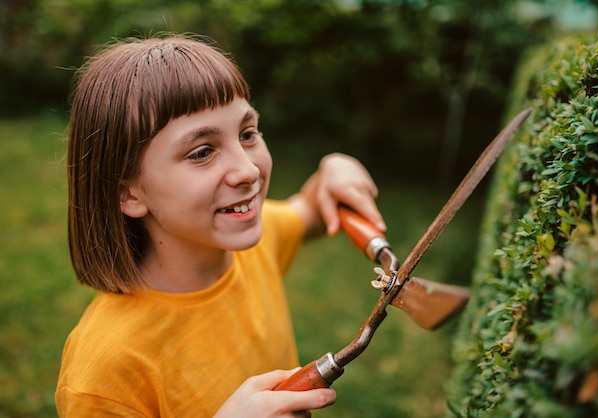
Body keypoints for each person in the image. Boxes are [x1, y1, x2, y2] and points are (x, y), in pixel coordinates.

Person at [56, 33, 386, 417]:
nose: (247, 170)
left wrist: (333, 168)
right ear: (129, 194)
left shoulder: (256, 244)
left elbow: (311, 209)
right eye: (202, 152)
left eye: (247, 134)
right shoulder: (104, 375)